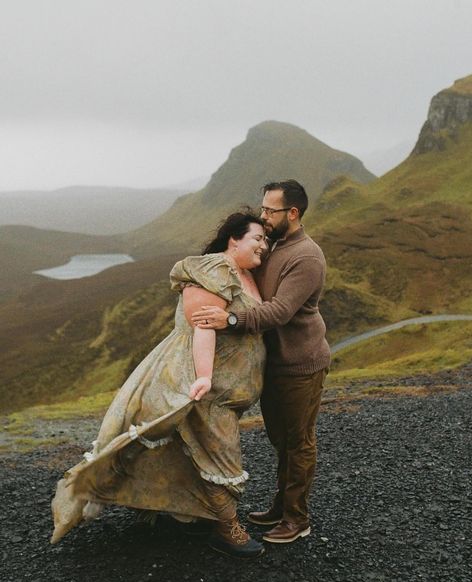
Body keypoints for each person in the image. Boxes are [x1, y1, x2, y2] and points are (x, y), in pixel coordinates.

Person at [50, 211, 268, 559]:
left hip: (225, 389)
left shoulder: (245, 274)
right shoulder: (215, 270)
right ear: (234, 240)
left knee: (188, 449)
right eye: (257, 238)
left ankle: (183, 512)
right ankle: (227, 529)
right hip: (196, 385)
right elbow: (202, 327)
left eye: (266, 240)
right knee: (220, 455)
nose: (264, 245)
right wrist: (204, 377)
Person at [192, 180, 331, 544]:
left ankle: (297, 519)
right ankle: (280, 507)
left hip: (301, 364)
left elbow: (281, 311)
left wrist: (232, 321)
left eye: (271, 211)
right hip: (275, 363)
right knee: (281, 440)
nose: (264, 217)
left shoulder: (307, 257)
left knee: (299, 442)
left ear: (294, 213)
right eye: (264, 209)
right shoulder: (273, 247)